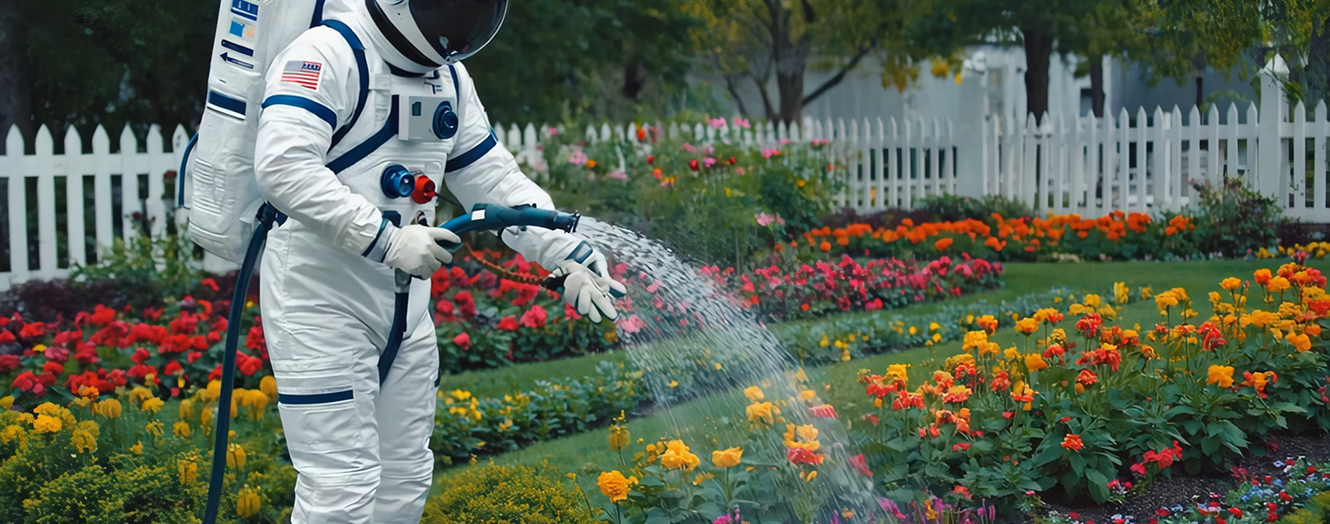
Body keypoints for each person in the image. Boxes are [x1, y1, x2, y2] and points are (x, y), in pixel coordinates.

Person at [251, 1, 626, 522]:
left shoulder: (448, 78)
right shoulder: (330, 53)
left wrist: (568, 251)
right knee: (341, 484)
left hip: (405, 306)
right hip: (321, 300)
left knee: (404, 475)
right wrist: (385, 239)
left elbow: (493, 179)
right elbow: (283, 166)